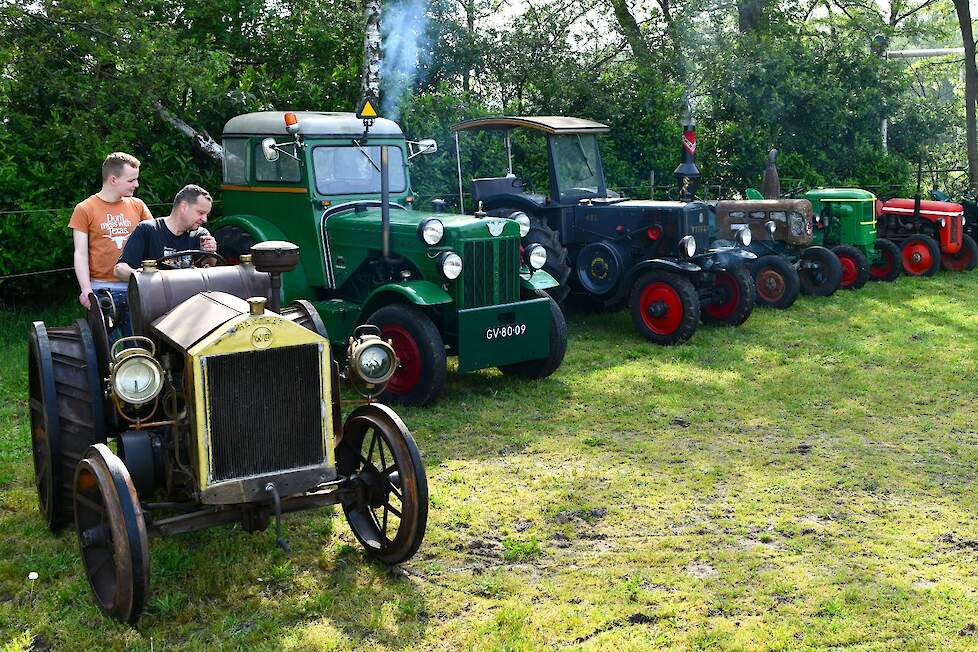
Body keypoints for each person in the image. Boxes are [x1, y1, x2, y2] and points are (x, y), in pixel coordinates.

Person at [68, 153, 154, 333]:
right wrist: (86, 290)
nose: (136, 185)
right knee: (105, 353)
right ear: (113, 179)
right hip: (102, 291)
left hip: (136, 288)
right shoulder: (84, 208)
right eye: (131, 180)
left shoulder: (138, 206)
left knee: (139, 349)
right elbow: (80, 253)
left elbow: (155, 240)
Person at [115, 184, 218, 280]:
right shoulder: (148, 230)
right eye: (201, 213)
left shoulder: (200, 235)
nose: (205, 219)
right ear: (184, 207)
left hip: (189, 296)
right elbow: (119, 269)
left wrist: (210, 253)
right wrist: (143, 278)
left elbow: (209, 268)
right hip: (155, 295)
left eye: (206, 215)